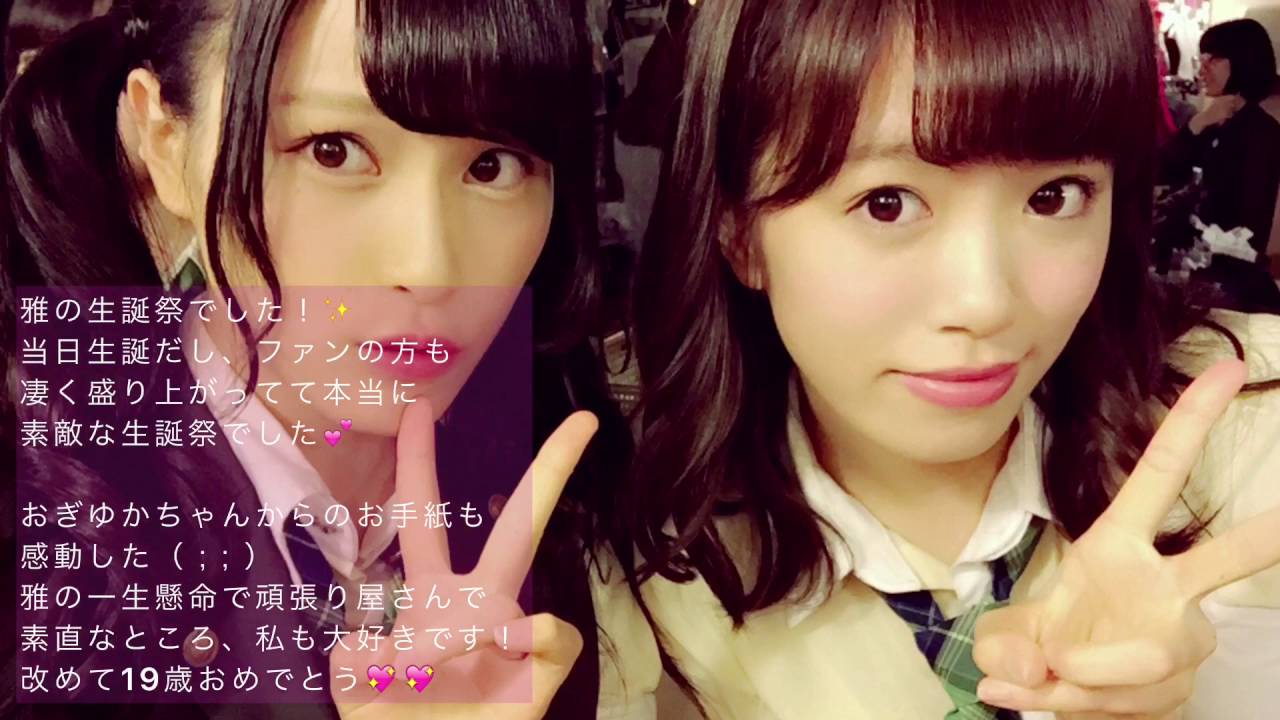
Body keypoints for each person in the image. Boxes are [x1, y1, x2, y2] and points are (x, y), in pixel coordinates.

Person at [595, 0, 1280, 718]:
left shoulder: (1248, 437)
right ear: (739, 233)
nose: (985, 303)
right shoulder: (639, 566)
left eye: (1053, 197)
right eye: (887, 203)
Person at [1, 0, 630, 718]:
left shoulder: (544, 483)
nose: (428, 266)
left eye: (494, 165)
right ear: (166, 144)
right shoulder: (41, 544)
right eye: (333, 150)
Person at [1159, 18, 1280, 310]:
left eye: (1212, 59)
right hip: (1199, 264)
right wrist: (1199, 123)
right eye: (1202, 58)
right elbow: (1163, 171)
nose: (1202, 68)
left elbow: (1249, 225)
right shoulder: (1213, 120)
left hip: (1229, 275)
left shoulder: (1262, 131)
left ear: (1240, 61)